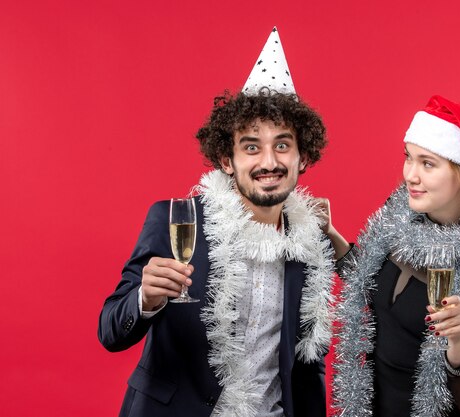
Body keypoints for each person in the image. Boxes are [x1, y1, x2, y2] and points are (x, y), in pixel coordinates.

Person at [98, 28, 335, 417]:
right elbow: (109, 331)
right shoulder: (177, 221)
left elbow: (308, 363)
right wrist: (146, 298)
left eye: (282, 144)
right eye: (251, 147)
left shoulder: (310, 244)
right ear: (227, 160)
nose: (269, 162)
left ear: (302, 157)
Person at [320, 95, 460, 417]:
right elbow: (372, 284)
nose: (410, 175)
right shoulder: (399, 219)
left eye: (427, 163)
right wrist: (330, 234)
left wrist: (457, 341)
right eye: (409, 158)